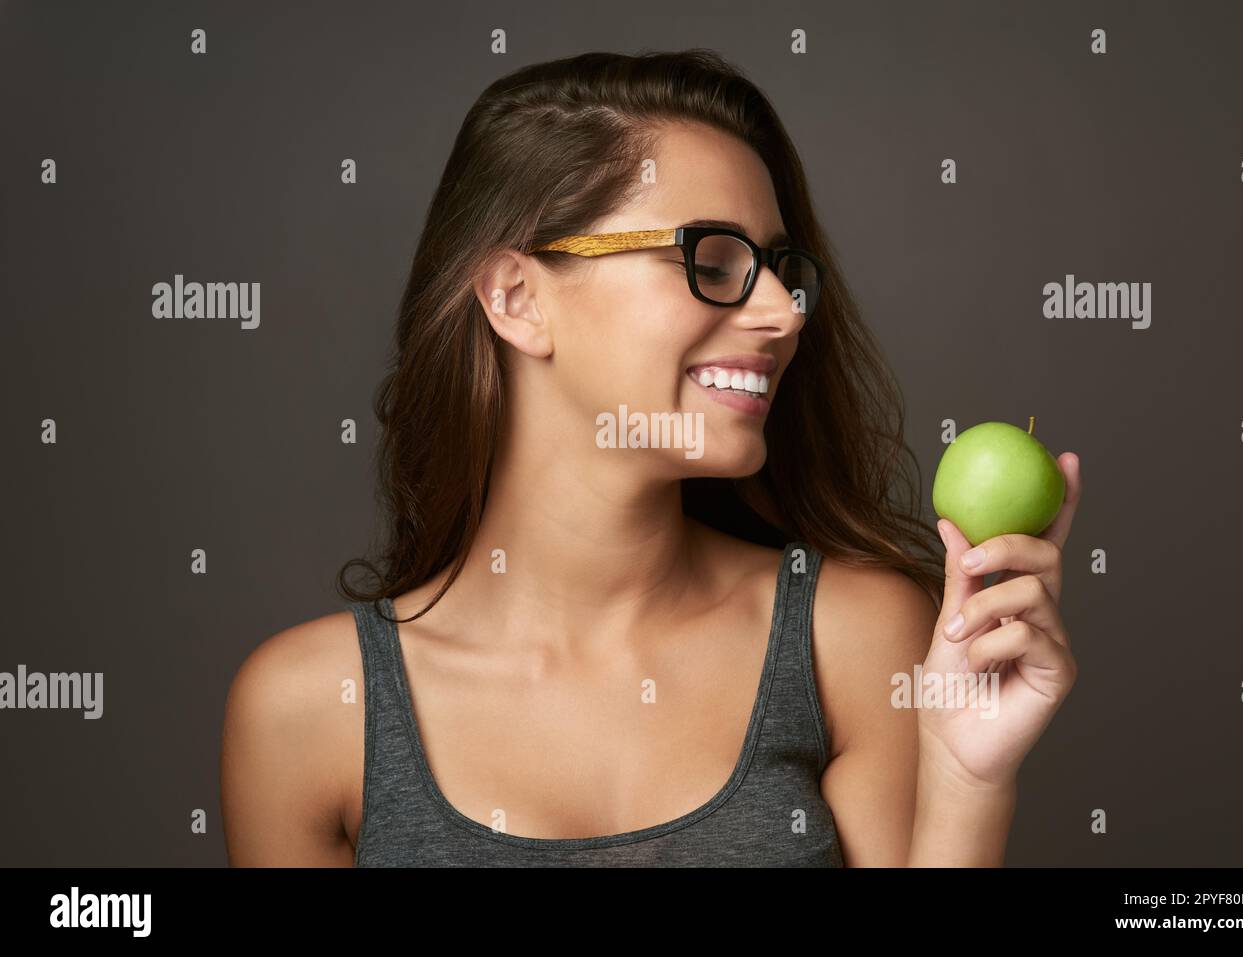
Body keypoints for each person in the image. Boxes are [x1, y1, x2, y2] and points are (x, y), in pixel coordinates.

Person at [219, 49, 1081, 866]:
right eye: (711, 260)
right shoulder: (308, 711)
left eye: (784, 269)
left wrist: (970, 779)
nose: (784, 312)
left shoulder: (852, 641)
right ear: (518, 298)